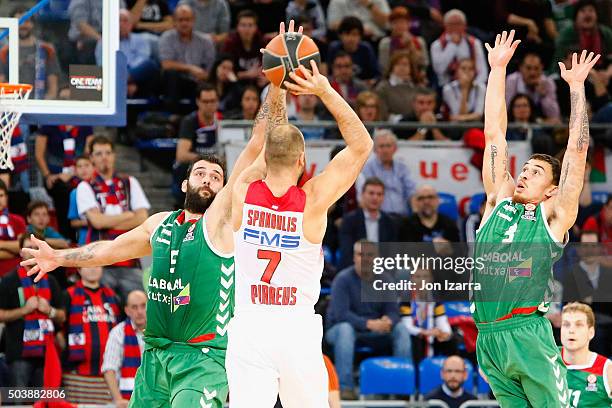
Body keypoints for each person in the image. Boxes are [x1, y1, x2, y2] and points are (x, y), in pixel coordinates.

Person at [19, 21, 296, 407]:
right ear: (184, 184)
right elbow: (110, 250)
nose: (208, 179)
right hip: (154, 358)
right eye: (200, 172)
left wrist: (278, 85)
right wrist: (58, 257)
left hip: (203, 360)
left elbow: (258, 146)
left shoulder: (221, 221)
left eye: (216, 177)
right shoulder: (160, 224)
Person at [228, 58, 373, 407]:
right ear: (302, 161)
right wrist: (322, 88)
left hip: (249, 324)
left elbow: (267, 138)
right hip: (295, 327)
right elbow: (361, 145)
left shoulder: (242, 189)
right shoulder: (312, 202)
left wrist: (277, 83)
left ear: (265, 157)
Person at [471, 29, 600, 406]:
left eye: (535, 172)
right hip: (488, 337)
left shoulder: (554, 216)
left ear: (550, 190)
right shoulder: (497, 199)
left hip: (527, 332)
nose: (524, 173)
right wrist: (496, 70)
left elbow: (577, 153)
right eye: (524, 168)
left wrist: (576, 88)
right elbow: (494, 134)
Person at [326, 240, 411, 399]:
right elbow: (340, 314)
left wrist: (388, 321)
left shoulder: (385, 279)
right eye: (360, 254)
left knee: (401, 330)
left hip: (376, 331)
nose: (365, 259)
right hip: (342, 330)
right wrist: (369, 324)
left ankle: (402, 386)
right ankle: (345, 388)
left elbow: (394, 312)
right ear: (354, 258)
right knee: (345, 329)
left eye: (369, 255)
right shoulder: (342, 279)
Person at [76, 136, 151, 300]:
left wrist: (107, 222)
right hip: (101, 263)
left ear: (114, 155)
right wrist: (127, 215)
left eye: (108, 153)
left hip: (131, 261)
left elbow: (142, 219)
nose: (104, 157)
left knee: (140, 309)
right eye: (98, 153)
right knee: (106, 309)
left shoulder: (130, 182)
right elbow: (96, 222)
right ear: (91, 158)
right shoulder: (85, 186)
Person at [0, 234, 66, 388]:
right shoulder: (9, 280)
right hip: (18, 353)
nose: (33, 251)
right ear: (21, 252)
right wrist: (25, 310)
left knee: (46, 401)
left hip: (47, 351)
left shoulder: (51, 280)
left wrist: (49, 311)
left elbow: (62, 316)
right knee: (17, 401)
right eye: (29, 248)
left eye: (36, 248)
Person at [62, 266, 120, 405]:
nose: (93, 269)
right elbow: (59, 331)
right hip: (77, 378)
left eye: (97, 265)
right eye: (88, 265)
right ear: (79, 270)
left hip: (107, 379)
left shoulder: (113, 296)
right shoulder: (68, 295)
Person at [34, 125, 94, 240]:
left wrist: (72, 173)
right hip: (56, 178)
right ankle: (67, 239)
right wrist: (48, 175)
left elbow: (87, 156)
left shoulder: (86, 125)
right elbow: (38, 154)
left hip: (78, 175)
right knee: (62, 189)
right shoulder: (48, 125)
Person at [159, 4, 216, 112]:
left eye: (187, 20)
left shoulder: (205, 41)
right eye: (180, 20)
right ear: (174, 21)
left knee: (205, 85)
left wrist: (203, 75)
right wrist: (190, 68)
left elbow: (209, 69)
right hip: (173, 82)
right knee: (171, 74)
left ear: (193, 20)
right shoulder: (166, 38)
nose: (184, 23)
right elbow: (166, 64)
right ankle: (171, 115)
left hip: (196, 83)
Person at [0, 6, 61, 100]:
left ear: (33, 24)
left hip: (39, 106)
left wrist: (43, 107)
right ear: (11, 25)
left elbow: (53, 88)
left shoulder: (47, 49)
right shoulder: (4, 52)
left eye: (27, 21)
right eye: (19, 22)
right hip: (12, 107)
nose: (23, 25)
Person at [338, 177, 399, 269]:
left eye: (379, 194)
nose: (375, 197)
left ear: (383, 197)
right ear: (362, 195)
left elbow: (392, 254)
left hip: (382, 270)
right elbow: (347, 253)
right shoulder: (349, 220)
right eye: (371, 193)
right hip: (355, 269)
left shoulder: (390, 222)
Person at [560, 302, 612, 407]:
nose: (571, 330)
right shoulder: (547, 359)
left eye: (579, 325)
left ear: (591, 333)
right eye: (566, 324)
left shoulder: (607, 370)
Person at [102, 290, 147, 407]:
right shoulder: (118, 333)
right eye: (134, 307)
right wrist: (118, 400)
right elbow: (109, 369)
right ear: (127, 310)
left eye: (143, 306)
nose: (140, 312)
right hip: (127, 401)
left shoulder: (160, 332)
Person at [356, 129, 415, 217]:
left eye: (388, 146)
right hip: (379, 218)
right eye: (381, 146)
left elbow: (412, 192)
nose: (385, 150)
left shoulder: (403, 168)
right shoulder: (367, 168)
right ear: (375, 150)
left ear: (395, 149)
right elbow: (363, 197)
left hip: (402, 217)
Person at [430, 9, 488, 87]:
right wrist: (452, 45)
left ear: (465, 25)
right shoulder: (437, 45)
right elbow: (439, 70)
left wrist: (475, 86)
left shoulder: (474, 43)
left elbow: (482, 70)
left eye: (458, 24)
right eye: (451, 24)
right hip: (446, 86)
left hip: (473, 84)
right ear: (445, 25)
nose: (455, 27)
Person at [505, 52, 561, 123]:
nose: (532, 73)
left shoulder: (548, 83)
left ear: (542, 68)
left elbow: (554, 115)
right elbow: (506, 109)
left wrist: (543, 96)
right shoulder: (512, 80)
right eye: (528, 68)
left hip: (539, 123)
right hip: (515, 123)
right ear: (521, 68)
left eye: (536, 68)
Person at [327, 17, 381, 82]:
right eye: (347, 34)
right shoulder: (334, 48)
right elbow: (329, 73)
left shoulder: (366, 49)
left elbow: (376, 75)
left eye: (354, 34)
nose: (351, 38)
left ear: (360, 36)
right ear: (340, 35)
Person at [442, 58, 486, 122]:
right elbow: (458, 113)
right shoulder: (448, 89)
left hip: (475, 125)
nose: (467, 72)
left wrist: (460, 118)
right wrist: (464, 89)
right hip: (454, 127)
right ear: (457, 71)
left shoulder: (480, 88)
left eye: (470, 69)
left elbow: (478, 115)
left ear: (474, 72)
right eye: (463, 68)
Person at [0, 180, 26, 276]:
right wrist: (13, 252)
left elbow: (23, 247)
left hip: (16, 275)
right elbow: (17, 248)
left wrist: (1, 244)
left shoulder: (18, 220)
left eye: (1, 196)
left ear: (6, 197)